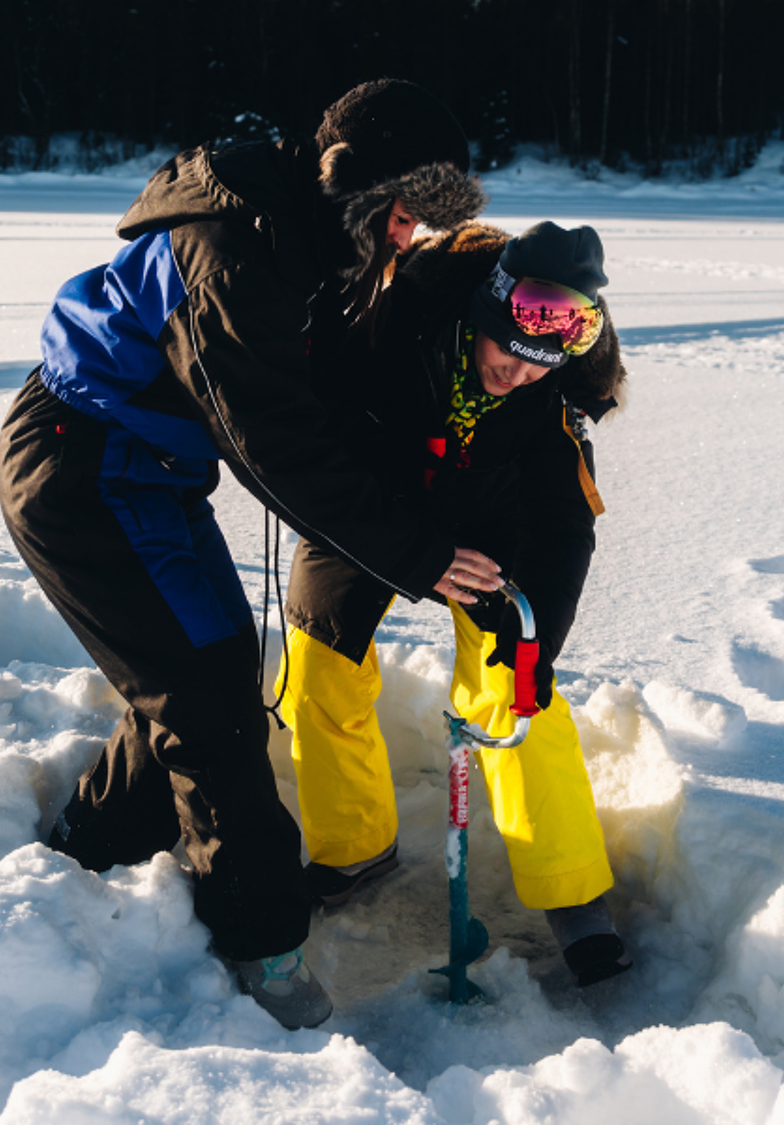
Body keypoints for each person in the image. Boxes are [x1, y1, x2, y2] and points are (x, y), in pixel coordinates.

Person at [0, 79, 499, 1030]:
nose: (407, 238)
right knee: (210, 707)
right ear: (358, 188)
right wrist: (417, 554)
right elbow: (277, 445)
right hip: (81, 470)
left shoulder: (310, 234)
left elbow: (331, 393)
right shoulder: (233, 251)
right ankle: (265, 959)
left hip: (142, 472)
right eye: (404, 215)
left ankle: (86, 855)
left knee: (206, 677)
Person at [277, 221, 634, 985]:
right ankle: (353, 847)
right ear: (485, 314)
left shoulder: (551, 395)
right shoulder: (388, 329)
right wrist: (412, 551)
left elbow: (566, 526)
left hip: (487, 524)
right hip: (371, 513)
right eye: (508, 355)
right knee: (318, 662)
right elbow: (324, 459)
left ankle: (572, 892)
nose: (518, 376)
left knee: (515, 683)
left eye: (540, 368)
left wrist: (540, 645)